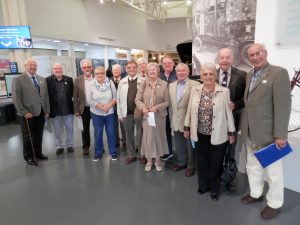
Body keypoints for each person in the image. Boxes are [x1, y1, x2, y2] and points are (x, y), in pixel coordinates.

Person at [240, 43, 291, 219]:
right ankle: (256, 193)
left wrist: (280, 134)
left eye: (258, 53)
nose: (254, 57)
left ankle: (274, 203)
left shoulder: (278, 73)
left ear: (265, 53)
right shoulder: (249, 74)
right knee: (253, 165)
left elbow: (283, 106)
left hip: (268, 134)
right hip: (250, 130)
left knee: (274, 172)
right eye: (251, 55)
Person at [184, 63, 235, 201]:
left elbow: (228, 113)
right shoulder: (195, 90)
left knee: (216, 162)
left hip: (218, 133)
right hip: (200, 133)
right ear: (201, 76)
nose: (208, 77)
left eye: (211, 74)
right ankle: (203, 186)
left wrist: (231, 132)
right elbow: (189, 109)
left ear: (215, 75)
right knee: (201, 161)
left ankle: (214, 189)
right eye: (205, 74)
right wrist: (187, 127)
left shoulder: (224, 91)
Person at [217, 48, 246, 191]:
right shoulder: (212, 74)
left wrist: (236, 104)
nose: (224, 60)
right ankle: (216, 175)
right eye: (221, 57)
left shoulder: (242, 75)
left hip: (232, 120)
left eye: (227, 57)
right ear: (218, 59)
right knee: (216, 148)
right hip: (215, 121)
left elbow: (246, 98)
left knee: (230, 150)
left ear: (232, 59)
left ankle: (230, 177)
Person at [12, 58, 50, 166]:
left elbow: (45, 96)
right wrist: (24, 112)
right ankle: (28, 156)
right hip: (27, 114)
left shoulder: (41, 79)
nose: (33, 67)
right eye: (30, 65)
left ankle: (38, 153)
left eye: (35, 65)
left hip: (40, 112)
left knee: (39, 134)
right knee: (28, 136)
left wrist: (47, 110)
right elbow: (16, 98)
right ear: (25, 66)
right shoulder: (18, 79)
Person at [135, 62, 169, 172]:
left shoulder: (164, 84)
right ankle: (149, 161)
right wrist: (144, 108)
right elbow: (137, 100)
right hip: (147, 116)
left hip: (159, 116)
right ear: (147, 72)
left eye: (154, 70)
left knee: (158, 137)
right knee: (148, 138)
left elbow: (167, 102)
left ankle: (158, 161)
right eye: (150, 70)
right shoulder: (143, 83)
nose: (152, 72)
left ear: (158, 71)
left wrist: (157, 107)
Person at [169, 63, 198, 177]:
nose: (181, 73)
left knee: (190, 145)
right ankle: (181, 162)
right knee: (179, 143)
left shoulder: (195, 85)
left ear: (188, 72)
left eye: (183, 71)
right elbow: (171, 105)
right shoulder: (171, 85)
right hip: (175, 120)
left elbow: (195, 106)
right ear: (176, 73)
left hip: (189, 121)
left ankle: (191, 166)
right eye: (178, 71)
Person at [117, 61, 145, 164]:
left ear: (137, 68)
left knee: (140, 134)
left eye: (134, 67)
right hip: (126, 112)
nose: (131, 69)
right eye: (129, 67)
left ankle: (142, 154)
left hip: (139, 112)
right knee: (128, 135)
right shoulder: (122, 82)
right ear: (126, 69)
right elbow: (118, 99)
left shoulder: (143, 81)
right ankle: (131, 154)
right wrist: (119, 114)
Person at [87, 66, 117, 161]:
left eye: (102, 72)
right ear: (94, 74)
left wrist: (108, 106)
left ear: (105, 73)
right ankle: (98, 153)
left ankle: (113, 152)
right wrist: (101, 107)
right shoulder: (91, 83)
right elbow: (89, 100)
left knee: (111, 133)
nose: (99, 75)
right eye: (97, 73)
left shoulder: (110, 82)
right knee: (98, 134)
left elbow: (115, 97)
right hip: (96, 114)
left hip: (109, 113)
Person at [46, 63, 74, 155]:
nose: (58, 70)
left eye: (60, 68)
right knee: (57, 130)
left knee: (69, 129)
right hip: (55, 111)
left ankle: (70, 145)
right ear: (52, 70)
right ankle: (59, 146)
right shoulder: (48, 80)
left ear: (62, 69)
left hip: (68, 110)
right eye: (56, 69)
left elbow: (73, 94)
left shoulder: (69, 79)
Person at [73, 59, 93, 155]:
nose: (87, 69)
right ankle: (86, 147)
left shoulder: (97, 77)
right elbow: (75, 96)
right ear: (81, 69)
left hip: (96, 108)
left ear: (91, 67)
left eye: (88, 67)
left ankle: (99, 146)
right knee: (84, 129)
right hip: (84, 108)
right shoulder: (77, 80)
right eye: (84, 67)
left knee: (98, 129)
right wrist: (76, 110)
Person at [159, 56, 177, 161]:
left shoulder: (178, 74)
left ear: (173, 64)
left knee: (179, 131)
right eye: (165, 63)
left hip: (176, 108)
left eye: (169, 63)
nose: (167, 65)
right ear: (162, 65)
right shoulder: (159, 75)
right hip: (163, 108)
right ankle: (168, 151)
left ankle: (185, 154)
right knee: (165, 131)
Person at [110, 64, 126, 147]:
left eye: (117, 70)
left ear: (121, 71)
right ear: (112, 71)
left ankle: (125, 140)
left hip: (122, 106)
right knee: (114, 125)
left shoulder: (125, 80)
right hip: (112, 106)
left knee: (124, 124)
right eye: (114, 70)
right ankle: (116, 140)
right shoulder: (108, 81)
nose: (116, 71)